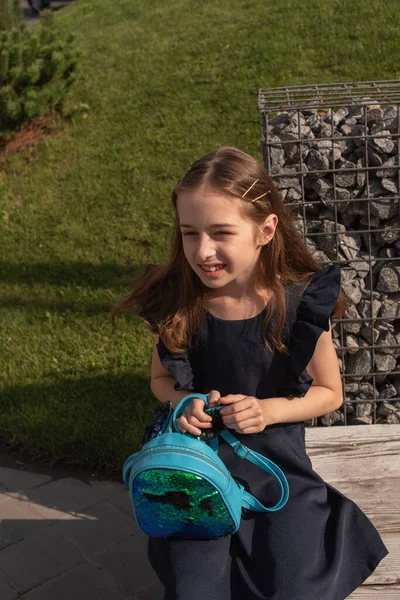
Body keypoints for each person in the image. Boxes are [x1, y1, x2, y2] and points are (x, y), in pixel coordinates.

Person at [110, 146, 389, 600]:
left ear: (265, 230)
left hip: (277, 466)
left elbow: (329, 391)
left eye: (221, 232)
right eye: (189, 233)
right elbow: (161, 380)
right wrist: (184, 401)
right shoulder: (180, 304)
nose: (203, 251)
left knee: (295, 585)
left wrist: (268, 410)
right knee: (195, 586)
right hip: (198, 466)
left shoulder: (296, 307)